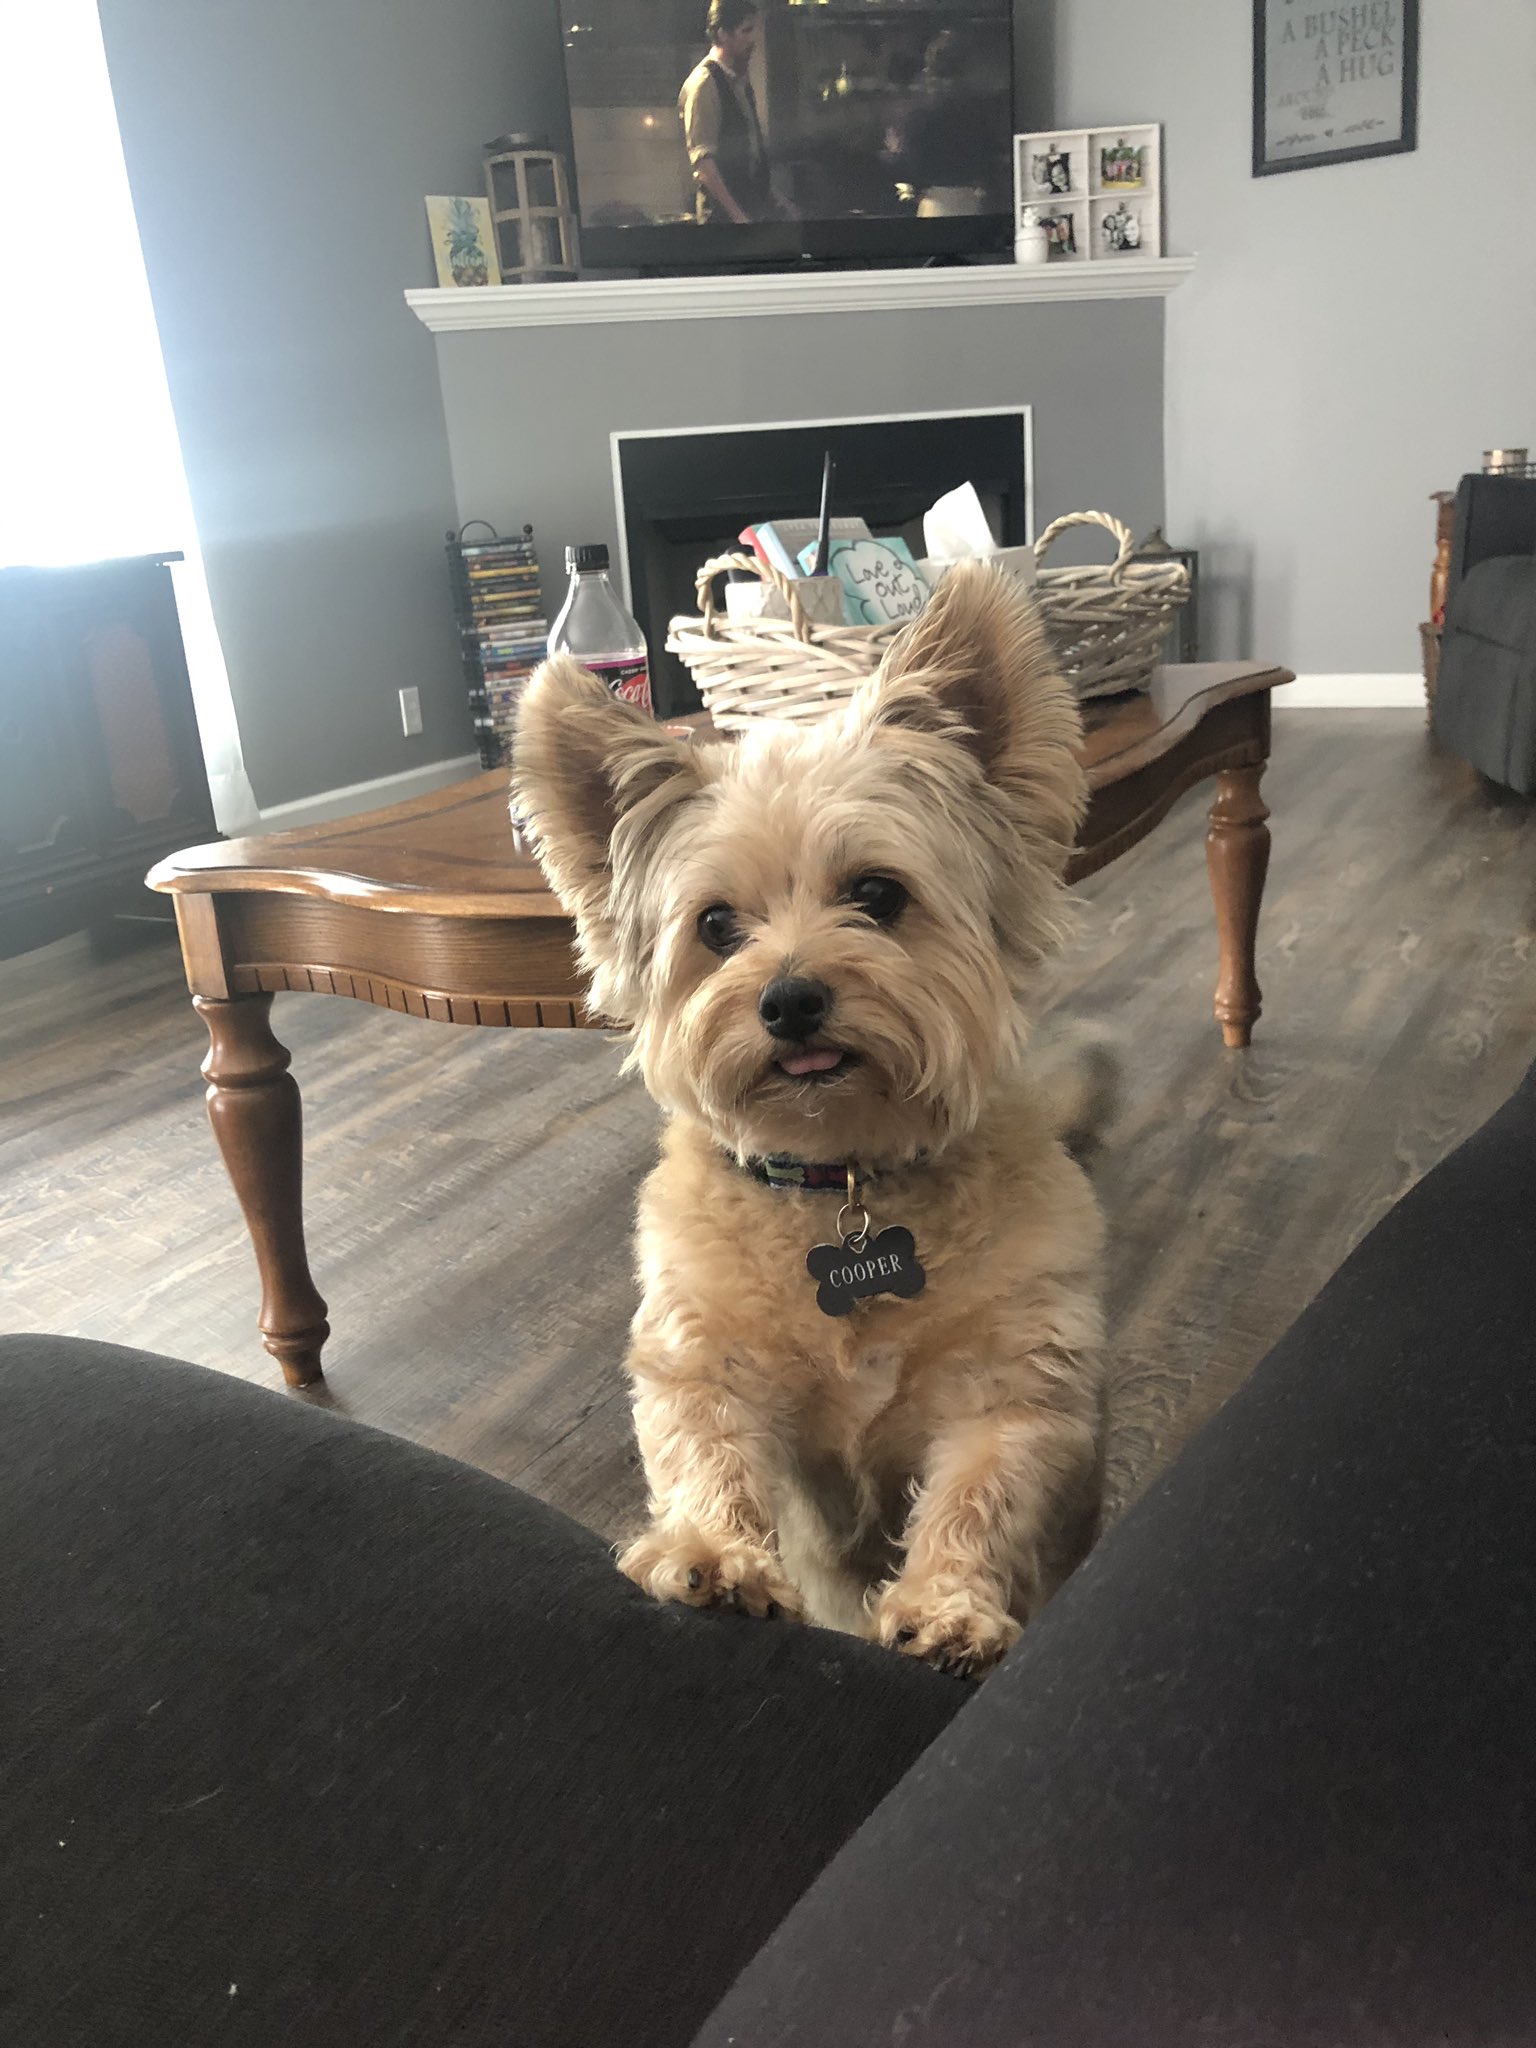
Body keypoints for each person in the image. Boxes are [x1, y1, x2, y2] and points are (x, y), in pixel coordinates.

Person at [678, 0, 773, 225]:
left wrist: (774, 199)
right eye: (745, 31)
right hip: (723, 221)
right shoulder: (705, 84)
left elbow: (752, 153)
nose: (752, 39)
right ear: (722, 34)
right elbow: (704, 165)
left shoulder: (738, 81)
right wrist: (738, 217)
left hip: (749, 211)